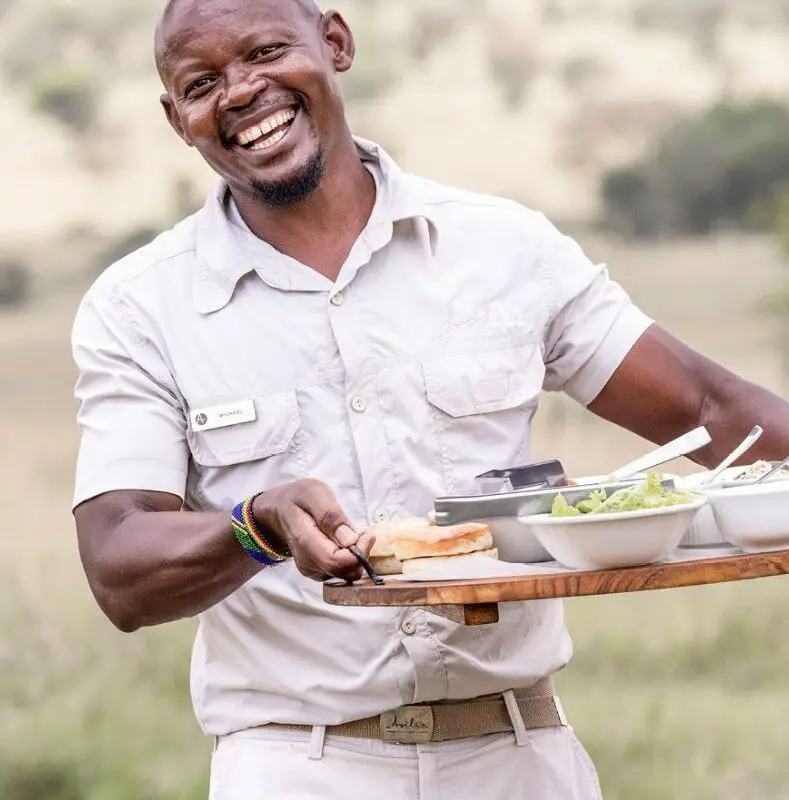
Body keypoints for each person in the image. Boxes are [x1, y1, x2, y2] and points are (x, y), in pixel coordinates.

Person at [70, 0, 789, 797]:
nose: (241, 92)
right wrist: (256, 524)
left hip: (518, 755)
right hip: (294, 765)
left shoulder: (504, 249)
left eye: (267, 51)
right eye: (202, 82)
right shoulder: (138, 306)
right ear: (178, 118)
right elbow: (118, 566)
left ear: (335, 43)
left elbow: (707, 408)